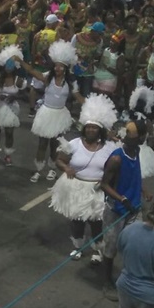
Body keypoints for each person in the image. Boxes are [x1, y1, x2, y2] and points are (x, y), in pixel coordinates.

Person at [50, 94, 117, 261]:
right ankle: (78, 247)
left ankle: (97, 250)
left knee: (96, 222)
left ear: (100, 130)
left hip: (98, 190)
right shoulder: (74, 144)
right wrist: (66, 168)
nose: (91, 130)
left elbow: (116, 168)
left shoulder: (109, 148)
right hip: (77, 187)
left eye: (94, 128)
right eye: (88, 127)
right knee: (77, 220)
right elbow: (58, 159)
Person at [17, 42, 85, 182]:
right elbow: (32, 71)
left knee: (55, 144)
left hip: (60, 115)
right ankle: (38, 170)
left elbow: (79, 98)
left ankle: (53, 169)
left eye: (60, 66)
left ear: (66, 68)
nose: (57, 68)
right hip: (46, 113)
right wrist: (20, 60)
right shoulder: (48, 77)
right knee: (42, 143)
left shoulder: (71, 82)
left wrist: (93, 107)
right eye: (56, 65)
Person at [100, 120, 152, 301]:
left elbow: (134, 174)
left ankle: (129, 280)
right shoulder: (116, 158)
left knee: (135, 244)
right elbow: (104, 185)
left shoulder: (136, 151)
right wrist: (122, 198)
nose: (127, 141)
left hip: (134, 208)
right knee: (111, 247)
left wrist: (142, 190)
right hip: (116, 210)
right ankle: (106, 282)